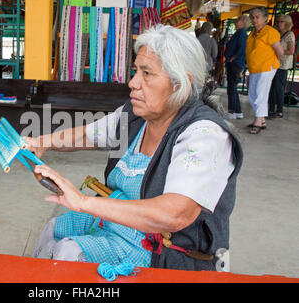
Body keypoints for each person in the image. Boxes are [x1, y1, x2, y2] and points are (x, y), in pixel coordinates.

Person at [25, 25, 243, 271]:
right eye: (136, 70)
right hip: (119, 223)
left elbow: (175, 214)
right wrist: (41, 142)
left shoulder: (205, 134)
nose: (133, 82)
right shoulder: (137, 115)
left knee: (69, 252)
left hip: (165, 249)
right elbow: (89, 134)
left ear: (180, 83)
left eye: (147, 73)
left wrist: (83, 201)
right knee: (54, 229)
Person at [246, 7, 284, 134]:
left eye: (257, 17)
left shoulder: (270, 31)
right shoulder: (253, 32)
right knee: (252, 94)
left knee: (260, 94)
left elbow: (280, 51)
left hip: (266, 67)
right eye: (252, 17)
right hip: (254, 68)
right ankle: (261, 120)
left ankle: (257, 121)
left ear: (264, 19)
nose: (254, 19)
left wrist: (271, 62)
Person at [268, 14, 296, 119]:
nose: (279, 23)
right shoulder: (277, 33)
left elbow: (291, 51)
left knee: (278, 88)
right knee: (271, 88)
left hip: (282, 65)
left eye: (282, 22)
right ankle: (271, 109)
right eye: (278, 21)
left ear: (287, 23)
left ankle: (279, 111)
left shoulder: (290, 34)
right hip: (273, 63)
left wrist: (278, 51)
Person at [224, 15, 250, 119]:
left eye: (238, 20)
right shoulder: (239, 33)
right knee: (233, 87)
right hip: (235, 63)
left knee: (231, 88)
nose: (236, 21)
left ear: (243, 22)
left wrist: (233, 58)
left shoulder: (242, 33)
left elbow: (242, 48)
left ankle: (232, 111)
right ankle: (238, 111)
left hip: (235, 63)